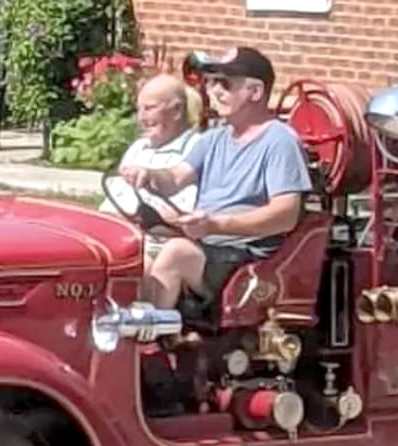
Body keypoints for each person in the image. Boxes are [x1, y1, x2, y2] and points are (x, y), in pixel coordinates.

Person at [120, 47, 313, 313]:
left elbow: (286, 214)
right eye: (211, 83)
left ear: (255, 92)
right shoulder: (214, 138)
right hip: (209, 246)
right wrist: (150, 175)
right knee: (134, 257)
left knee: (176, 253)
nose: (214, 92)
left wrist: (216, 224)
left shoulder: (280, 141)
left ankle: (145, 345)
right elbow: (176, 178)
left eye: (225, 84)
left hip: (246, 255)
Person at [100, 74, 201, 217]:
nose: (141, 117)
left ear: (177, 110)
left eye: (149, 108)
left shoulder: (196, 149)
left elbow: (179, 216)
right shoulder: (139, 147)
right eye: (139, 109)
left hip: (153, 236)